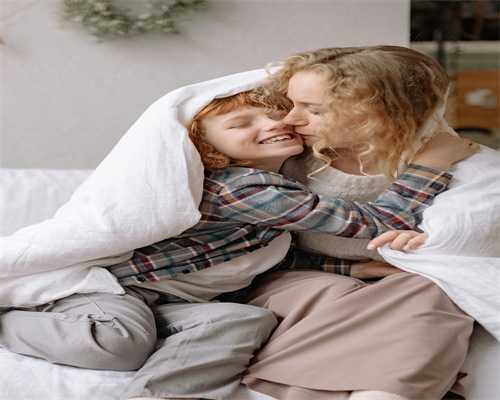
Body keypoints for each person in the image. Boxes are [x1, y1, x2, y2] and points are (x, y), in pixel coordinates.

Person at [0, 86, 475, 400]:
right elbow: (376, 221)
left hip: (169, 302)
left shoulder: (281, 190)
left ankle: (165, 393)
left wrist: (351, 270)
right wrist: (432, 161)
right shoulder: (241, 188)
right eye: (240, 123)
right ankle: (8, 322)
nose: (270, 123)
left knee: (244, 319)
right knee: (119, 343)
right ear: (209, 150)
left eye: (274, 113)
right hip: (109, 291)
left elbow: (261, 259)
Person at [240, 46, 476, 400]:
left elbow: (471, 228)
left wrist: (430, 245)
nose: (290, 119)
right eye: (291, 103)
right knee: (340, 296)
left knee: (434, 295)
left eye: (314, 110)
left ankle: (386, 392)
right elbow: (259, 249)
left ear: (375, 114)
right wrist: (351, 269)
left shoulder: (437, 153)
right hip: (300, 274)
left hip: (400, 275)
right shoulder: (286, 159)